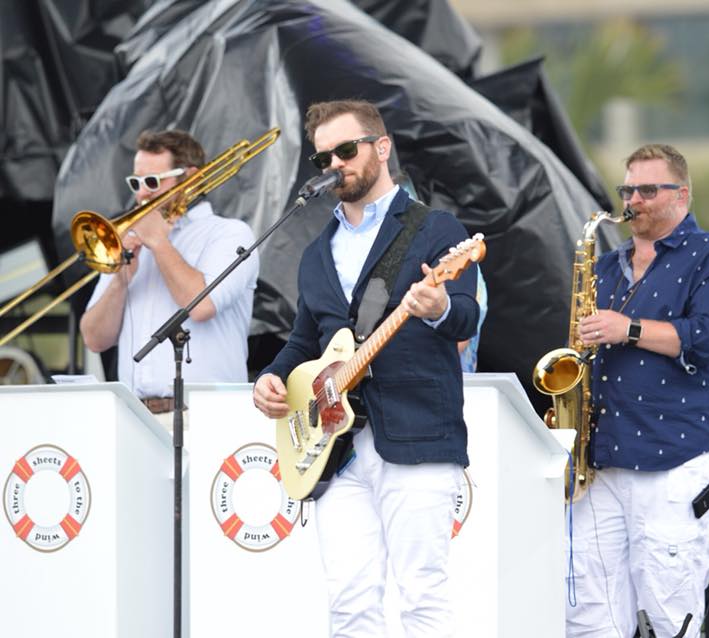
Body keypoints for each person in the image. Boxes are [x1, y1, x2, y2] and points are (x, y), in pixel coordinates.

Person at [252, 99, 479, 636]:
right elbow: (305, 340)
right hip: (338, 449)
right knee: (349, 601)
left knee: (422, 595)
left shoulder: (435, 229)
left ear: (381, 148)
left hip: (417, 434)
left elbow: (465, 314)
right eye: (323, 158)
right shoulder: (317, 251)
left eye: (346, 150)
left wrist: (438, 307)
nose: (335, 164)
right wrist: (271, 377)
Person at [569, 143, 709, 637]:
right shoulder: (606, 267)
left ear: (681, 195)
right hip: (605, 463)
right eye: (628, 190)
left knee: (672, 616)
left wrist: (627, 328)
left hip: (676, 460)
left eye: (648, 190)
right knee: (589, 618)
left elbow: (707, 338)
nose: (633, 201)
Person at [80, 129, 259, 426]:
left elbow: (202, 306)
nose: (142, 193)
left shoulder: (229, 233)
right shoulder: (130, 242)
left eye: (152, 182)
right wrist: (121, 279)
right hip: (137, 417)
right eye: (136, 182)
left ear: (191, 178)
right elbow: (94, 338)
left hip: (207, 417)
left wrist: (159, 243)